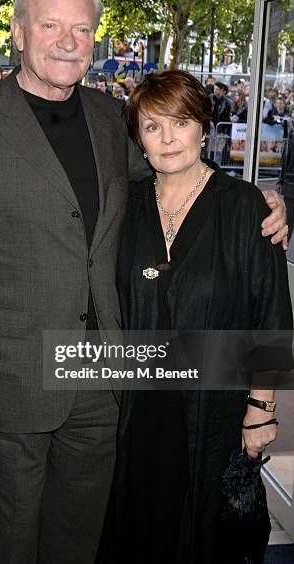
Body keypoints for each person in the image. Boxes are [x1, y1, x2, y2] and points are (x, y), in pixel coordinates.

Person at [0, 0, 287, 564]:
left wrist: (258, 200)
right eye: (50, 25)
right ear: (17, 33)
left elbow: (171, 169)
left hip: (103, 372)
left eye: (82, 29)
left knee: (82, 534)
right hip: (11, 374)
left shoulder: (109, 117)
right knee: (6, 535)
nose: (68, 40)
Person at [97, 70, 292, 564]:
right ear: (138, 139)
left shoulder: (247, 208)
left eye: (180, 123)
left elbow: (271, 317)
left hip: (218, 414)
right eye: (152, 126)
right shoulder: (127, 206)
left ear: (204, 129)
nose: (167, 139)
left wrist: (261, 412)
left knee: (207, 539)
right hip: (140, 412)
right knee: (142, 531)